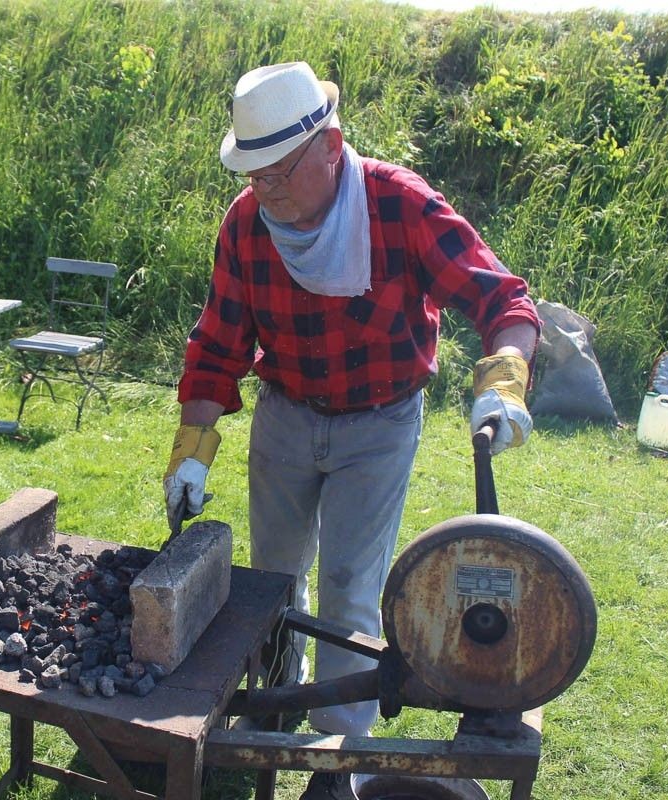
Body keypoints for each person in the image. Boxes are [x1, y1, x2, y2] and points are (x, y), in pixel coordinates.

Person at [163, 62, 540, 800]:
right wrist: (191, 452)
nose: (263, 190)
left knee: (349, 592)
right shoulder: (246, 225)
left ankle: (338, 760)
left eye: (278, 172)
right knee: (271, 584)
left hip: (379, 422)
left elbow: (503, 300)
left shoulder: (398, 207)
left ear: (331, 145)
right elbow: (217, 349)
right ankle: (268, 719)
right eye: (253, 174)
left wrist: (503, 380)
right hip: (287, 417)